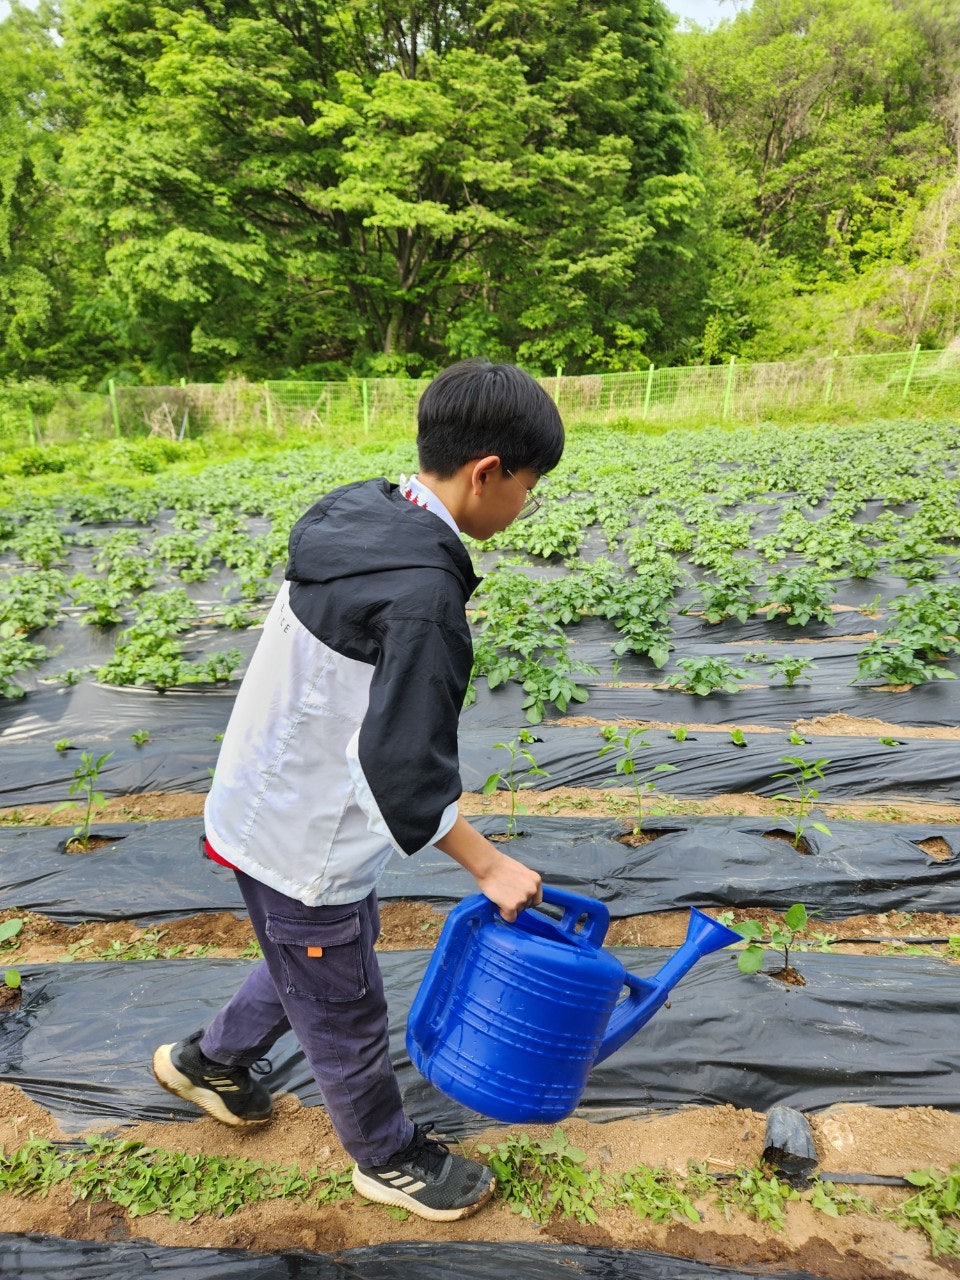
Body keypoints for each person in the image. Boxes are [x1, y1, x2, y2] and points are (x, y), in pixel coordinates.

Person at [152, 359, 564, 1222]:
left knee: (312, 951)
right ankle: (386, 1157)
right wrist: (488, 865)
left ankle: (209, 1062)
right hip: (302, 832)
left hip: (261, 801)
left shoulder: (365, 512)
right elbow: (401, 766)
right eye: (529, 485)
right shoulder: (423, 598)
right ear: (488, 473)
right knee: (341, 999)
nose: (526, 504)